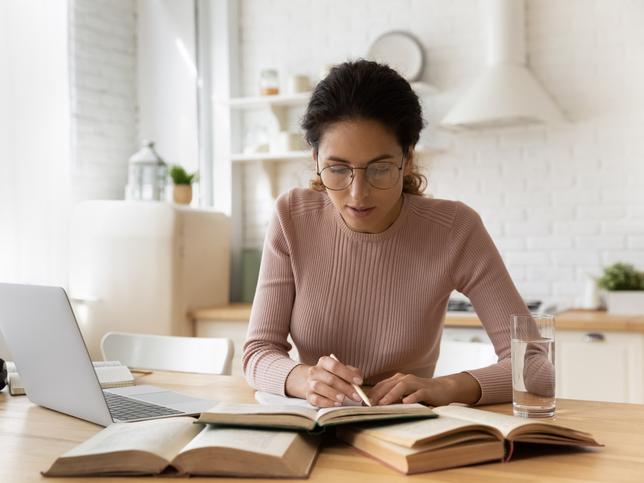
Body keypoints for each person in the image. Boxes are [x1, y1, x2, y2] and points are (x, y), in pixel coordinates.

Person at [242, 59, 529, 408]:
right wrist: (303, 379)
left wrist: (447, 388)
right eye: (337, 168)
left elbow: (536, 366)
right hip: (316, 429)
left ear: (407, 159)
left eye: (379, 169)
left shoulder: (455, 229)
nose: (357, 193)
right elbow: (258, 353)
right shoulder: (292, 216)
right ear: (316, 158)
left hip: (409, 437)